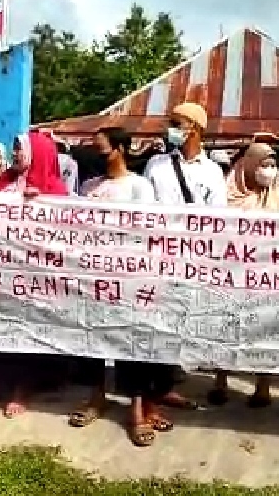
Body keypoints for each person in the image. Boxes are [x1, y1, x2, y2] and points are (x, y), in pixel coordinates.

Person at [69, 126, 175, 446]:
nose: (97, 155)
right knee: (93, 337)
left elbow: (146, 231)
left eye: (102, 148)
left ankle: (137, 409)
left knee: (133, 341)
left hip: (129, 279)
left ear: (120, 150)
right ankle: (96, 396)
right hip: (93, 277)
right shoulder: (88, 186)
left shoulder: (139, 186)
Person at [0, 131, 70, 423]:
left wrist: (41, 206)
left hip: (32, 279)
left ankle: (21, 390)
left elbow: (64, 235)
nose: (15, 154)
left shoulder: (55, 190)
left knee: (26, 334)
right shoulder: (2, 182)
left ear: (37, 154)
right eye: (15, 149)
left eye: (20, 149)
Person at [143, 102, 226, 413]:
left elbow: (218, 219)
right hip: (158, 257)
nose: (171, 129)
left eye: (177, 123)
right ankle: (151, 390)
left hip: (192, 260)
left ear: (196, 129)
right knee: (155, 321)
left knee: (180, 322)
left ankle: (166, 385)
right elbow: (145, 211)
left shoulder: (213, 172)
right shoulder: (156, 165)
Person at [207, 143, 279, 408]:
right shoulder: (225, 194)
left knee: (265, 330)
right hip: (230, 273)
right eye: (263, 165)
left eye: (272, 165)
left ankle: (263, 386)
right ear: (249, 164)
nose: (269, 171)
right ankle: (220, 381)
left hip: (268, 275)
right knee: (225, 327)